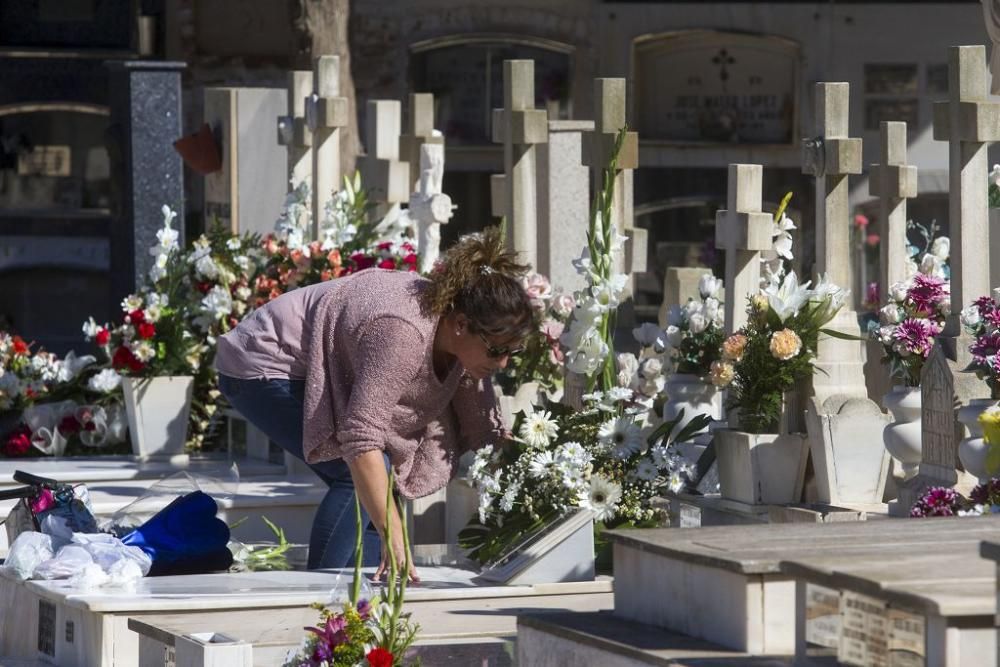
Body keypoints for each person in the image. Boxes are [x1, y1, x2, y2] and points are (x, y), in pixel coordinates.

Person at [215, 226, 533, 579]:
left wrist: (540, 479)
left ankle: (364, 601)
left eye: (512, 352)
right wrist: (393, 534)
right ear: (460, 324)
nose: (502, 362)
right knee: (357, 475)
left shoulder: (464, 344)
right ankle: (323, 596)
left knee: (378, 493)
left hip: (307, 360)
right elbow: (360, 439)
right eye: (497, 350)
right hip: (263, 362)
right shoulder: (403, 333)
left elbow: (484, 431)